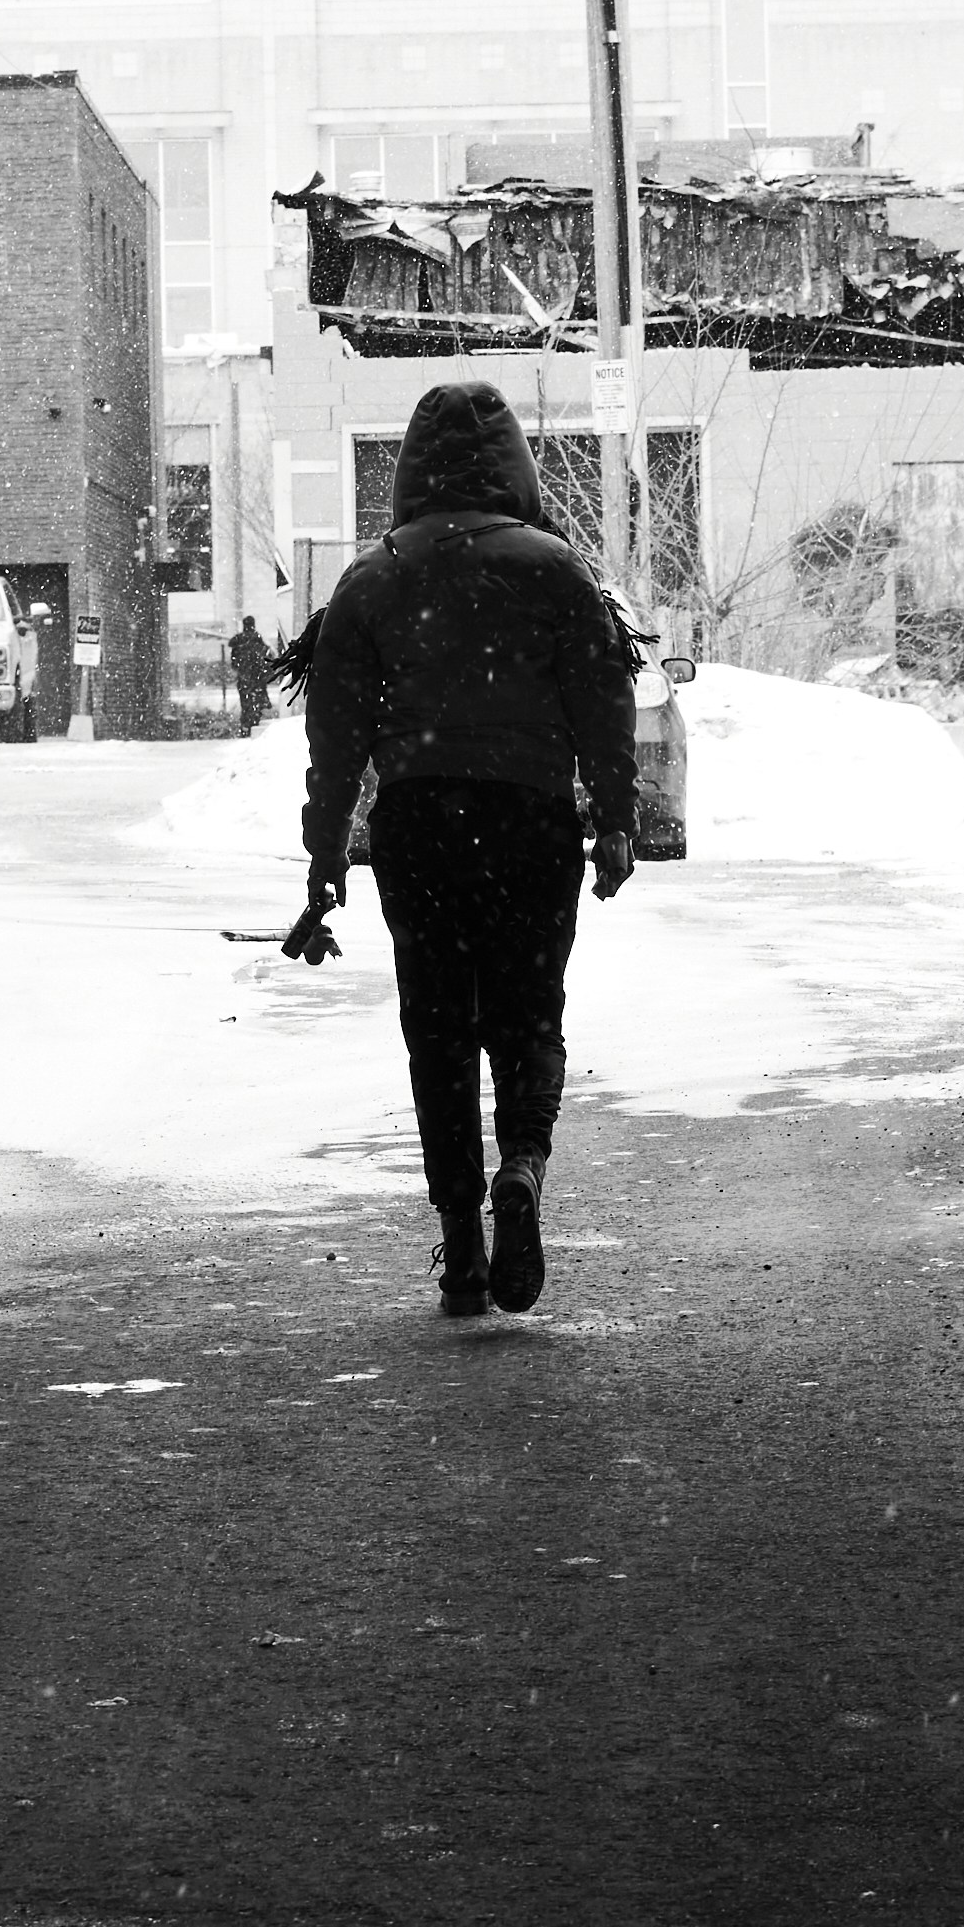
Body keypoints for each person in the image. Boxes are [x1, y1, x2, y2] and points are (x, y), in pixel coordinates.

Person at [290, 381, 637, 1320]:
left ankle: (461, 1243)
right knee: (529, 1009)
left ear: (408, 472)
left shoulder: (373, 579)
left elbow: (336, 741)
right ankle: (521, 1162)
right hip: (529, 821)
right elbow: (603, 705)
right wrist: (612, 818)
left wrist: (326, 856)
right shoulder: (555, 569)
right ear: (516, 469)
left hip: (420, 827)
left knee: (436, 1025)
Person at [229, 615, 272, 737]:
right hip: (257, 678)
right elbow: (266, 660)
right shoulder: (258, 641)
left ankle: (245, 728)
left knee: (245, 704)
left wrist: (241, 669)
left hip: (244, 679)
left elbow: (234, 662)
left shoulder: (238, 641)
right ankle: (254, 725)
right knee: (256, 704)